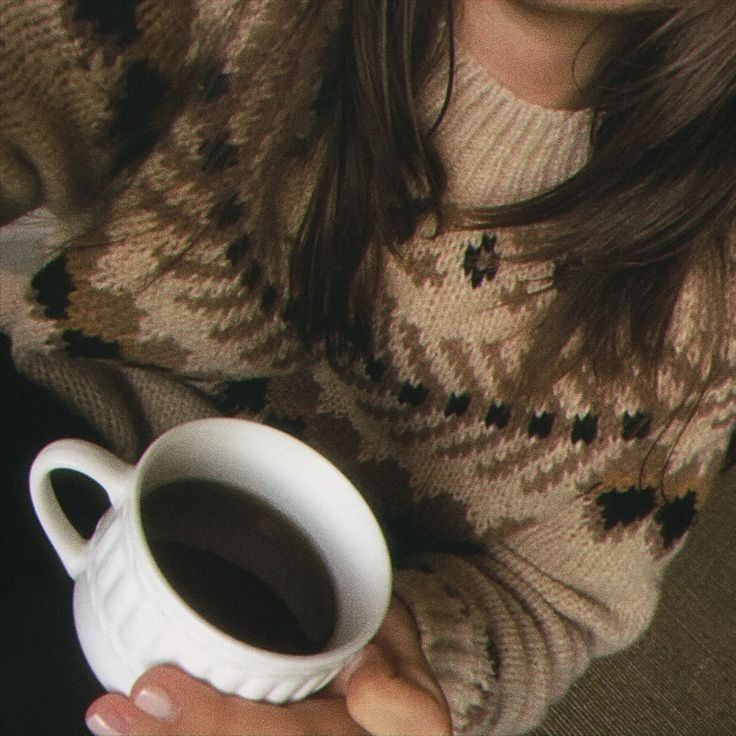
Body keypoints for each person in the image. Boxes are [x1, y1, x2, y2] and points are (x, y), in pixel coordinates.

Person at [1, 0, 734, 734]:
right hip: (47, 446)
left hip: (292, 664)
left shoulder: (715, 286)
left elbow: (551, 597)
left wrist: (388, 676)